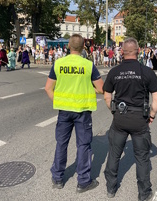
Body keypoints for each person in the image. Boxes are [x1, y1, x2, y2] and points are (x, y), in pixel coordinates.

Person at [103, 37, 157, 201]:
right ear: (138, 52)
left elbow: (107, 95)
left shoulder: (114, 71)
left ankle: (111, 188)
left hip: (120, 118)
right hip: (139, 119)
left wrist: (113, 111)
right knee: (142, 158)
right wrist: (152, 115)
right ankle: (143, 193)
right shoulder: (146, 72)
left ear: (122, 52)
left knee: (114, 154)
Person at [45, 34, 104, 193]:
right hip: (82, 112)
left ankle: (57, 178)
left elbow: (48, 88)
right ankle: (83, 182)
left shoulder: (58, 64)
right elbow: (100, 88)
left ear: (68, 47)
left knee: (61, 144)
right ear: (84, 47)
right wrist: (87, 90)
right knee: (83, 145)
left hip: (64, 112)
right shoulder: (88, 65)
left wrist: (59, 101)